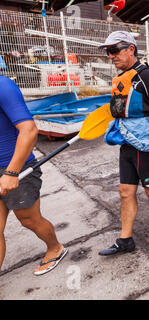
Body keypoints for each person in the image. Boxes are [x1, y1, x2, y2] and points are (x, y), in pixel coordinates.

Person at [98, 31, 149, 256]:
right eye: (108, 52)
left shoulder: (146, 76)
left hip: (146, 145)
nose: (111, 56)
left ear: (131, 49)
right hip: (127, 142)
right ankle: (125, 240)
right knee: (125, 191)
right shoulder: (123, 77)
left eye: (114, 50)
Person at [0, 75, 67, 275]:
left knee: (29, 220)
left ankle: (55, 248)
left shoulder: (3, 85)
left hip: (16, 168)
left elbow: (29, 130)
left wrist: (11, 172)